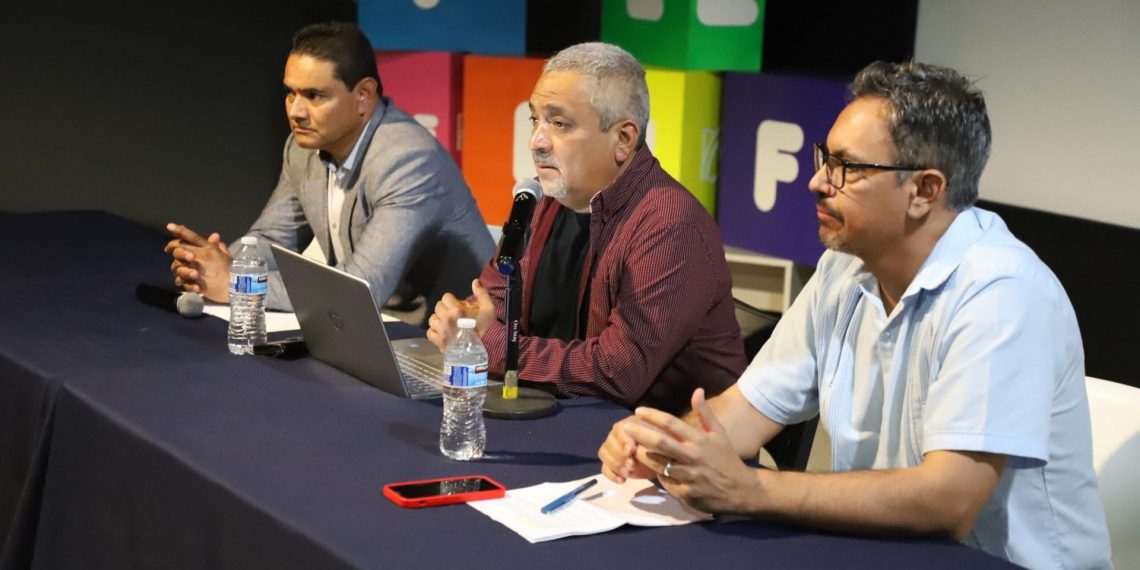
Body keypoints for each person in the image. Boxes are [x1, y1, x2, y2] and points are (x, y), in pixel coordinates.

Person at [598, 61, 1112, 569]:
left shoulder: (1001, 292)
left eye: (847, 167)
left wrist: (749, 488)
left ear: (924, 191)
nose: (817, 181)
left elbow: (949, 502)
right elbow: (745, 411)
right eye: (825, 157)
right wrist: (669, 447)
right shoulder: (842, 270)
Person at [425, 42, 746, 415]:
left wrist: (492, 345)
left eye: (559, 124)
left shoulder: (670, 226)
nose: (536, 142)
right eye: (535, 119)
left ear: (623, 139)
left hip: (669, 454)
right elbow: (493, 300)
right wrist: (463, 322)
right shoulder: (543, 197)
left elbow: (617, 373)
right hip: (566, 420)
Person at [164, 22, 493, 325]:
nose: (295, 111)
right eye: (290, 93)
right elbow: (273, 240)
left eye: (314, 96)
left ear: (363, 95)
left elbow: (359, 290)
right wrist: (210, 265)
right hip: (372, 326)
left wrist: (239, 283)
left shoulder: (408, 161)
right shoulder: (302, 147)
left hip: (447, 339)